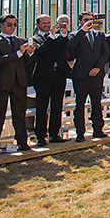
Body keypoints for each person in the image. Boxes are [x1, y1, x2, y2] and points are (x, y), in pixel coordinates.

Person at [0, 14, 36, 151]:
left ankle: (22, 142)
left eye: (14, 25)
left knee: (20, 113)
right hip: (2, 83)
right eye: (9, 24)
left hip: (19, 82)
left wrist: (29, 53)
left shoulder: (21, 41)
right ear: (1, 25)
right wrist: (19, 53)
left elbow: (26, 62)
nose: (12, 27)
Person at [67, 11, 110, 141]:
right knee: (80, 104)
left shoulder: (99, 35)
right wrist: (83, 31)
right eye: (86, 19)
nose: (89, 22)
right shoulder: (74, 35)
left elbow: (105, 52)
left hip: (96, 74)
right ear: (80, 21)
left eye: (91, 19)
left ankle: (98, 129)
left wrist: (98, 67)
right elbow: (71, 46)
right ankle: (80, 132)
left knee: (96, 102)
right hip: (81, 75)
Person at [30, 15, 69, 145]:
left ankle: (55, 134)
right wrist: (51, 36)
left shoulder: (56, 37)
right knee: (42, 106)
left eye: (48, 22)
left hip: (58, 74)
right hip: (43, 77)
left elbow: (63, 48)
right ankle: (41, 136)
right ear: (38, 25)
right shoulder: (35, 39)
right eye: (44, 23)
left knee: (57, 105)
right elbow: (41, 51)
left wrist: (63, 34)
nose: (47, 25)